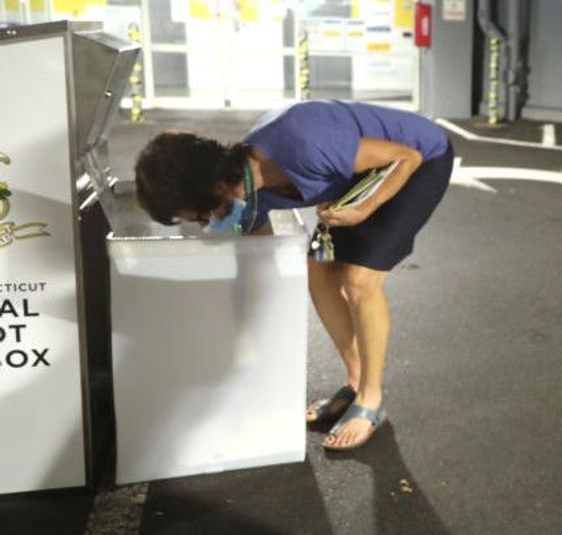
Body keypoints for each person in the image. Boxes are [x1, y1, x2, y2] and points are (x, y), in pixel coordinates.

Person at [134, 99, 454, 452]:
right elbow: (257, 267)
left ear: (212, 187)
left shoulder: (301, 142)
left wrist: (362, 210)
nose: (207, 224)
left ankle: (372, 400)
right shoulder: (248, 199)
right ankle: (356, 381)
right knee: (318, 269)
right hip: (359, 178)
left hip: (418, 161)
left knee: (359, 279)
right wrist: (241, 345)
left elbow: (405, 157)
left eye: (200, 215)